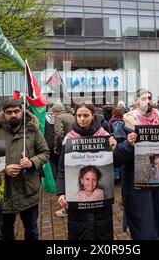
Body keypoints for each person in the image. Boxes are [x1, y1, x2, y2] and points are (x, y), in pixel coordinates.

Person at [114, 89, 159, 240]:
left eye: (150, 98)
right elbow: (116, 159)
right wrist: (128, 144)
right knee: (144, 229)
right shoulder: (125, 126)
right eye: (143, 98)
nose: (148, 101)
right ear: (136, 103)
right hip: (139, 189)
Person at [0, 100, 49, 240]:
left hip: (28, 191)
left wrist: (32, 161)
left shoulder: (32, 130)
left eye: (16, 111)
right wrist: (3, 169)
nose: (13, 115)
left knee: (32, 230)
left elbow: (45, 153)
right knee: (6, 232)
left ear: (22, 111)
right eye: (9, 112)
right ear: (4, 113)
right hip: (4, 193)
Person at [56, 102, 119, 240]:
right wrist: (60, 193)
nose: (82, 119)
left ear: (93, 116)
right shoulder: (69, 138)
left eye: (86, 115)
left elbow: (116, 162)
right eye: (79, 115)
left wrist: (114, 148)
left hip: (101, 207)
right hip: (77, 206)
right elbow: (61, 169)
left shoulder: (104, 136)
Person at [53, 100, 75, 217]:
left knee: (62, 175)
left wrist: (57, 148)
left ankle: (65, 207)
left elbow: (58, 134)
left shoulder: (59, 118)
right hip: (75, 148)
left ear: (55, 112)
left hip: (65, 148)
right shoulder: (71, 117)